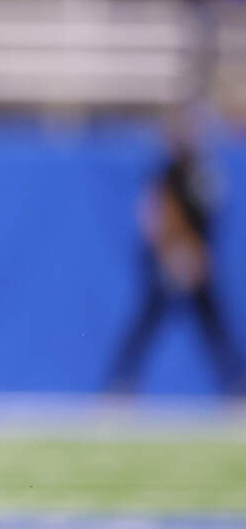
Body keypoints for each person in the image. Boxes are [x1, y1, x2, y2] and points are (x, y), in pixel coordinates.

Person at [107, 130, 243, 395]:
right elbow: (161, 216)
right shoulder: (167, 174)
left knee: (211, 323)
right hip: (172, 255)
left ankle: (235, 381)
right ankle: (121, 381)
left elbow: (209, 218)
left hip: (194, 255)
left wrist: (198, 252)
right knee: (149, 321)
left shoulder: (204, 174)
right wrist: (173, 251)